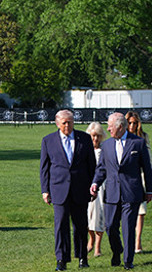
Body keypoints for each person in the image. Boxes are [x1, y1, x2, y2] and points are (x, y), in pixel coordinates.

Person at [90, 112, 152, 270]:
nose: (108, 129)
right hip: (112, 193)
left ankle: (128, 261)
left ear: (120, 127)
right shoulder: (106, 146)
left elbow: (146, 168)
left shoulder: (138, 143)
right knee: (110, 227)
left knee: (128, 227)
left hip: (131, 193)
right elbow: (101, 169)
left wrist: (150, 190)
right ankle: (117, 251)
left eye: (110, 126)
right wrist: (95, 183)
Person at [41, 110, 97, 270]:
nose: (67, 125)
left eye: (70, 122)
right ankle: (61, 259)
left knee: (80, 226)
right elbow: (44, 168)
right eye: (64, 122)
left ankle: (82, 258)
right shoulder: (48, 141)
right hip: (58, 190)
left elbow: (91, 165)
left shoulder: (84, 139)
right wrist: (45, 190)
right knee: (60, 226)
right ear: (57, 123)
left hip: (80, 189)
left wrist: (94, 186)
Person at [125, 111, 152, 254]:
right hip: (128, 179)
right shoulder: (122, 137)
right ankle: (129, 241)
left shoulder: (143, 137)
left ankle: (138, 242)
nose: (132, 126)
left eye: (135, 123)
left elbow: (149, 161)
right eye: (130, 123)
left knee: (141, 212)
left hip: (142, 178)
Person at [86, 122, 106, 258]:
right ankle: (91, 239)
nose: (95, 139)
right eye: (93, 136)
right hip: (86, 186)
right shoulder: (85, 150)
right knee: (87, 216)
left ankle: (97, 246)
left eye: (98, 136)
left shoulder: (104, 150)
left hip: (102, 187)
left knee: (99, 215)